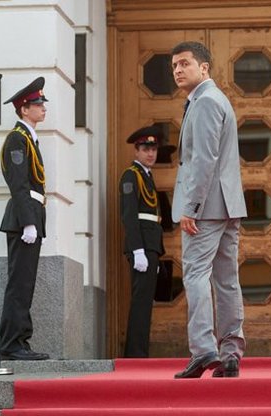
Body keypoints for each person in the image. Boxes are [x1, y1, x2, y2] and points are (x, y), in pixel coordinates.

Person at [170, 41, 247, 378]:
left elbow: (204, 160)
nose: (178, 70)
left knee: (196, 275)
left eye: (184, 63)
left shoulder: (204, 102)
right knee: (226, 279)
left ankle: (203, 350)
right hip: (227, 205)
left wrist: (191, 207)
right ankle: (230, 354)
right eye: (174, 66)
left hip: (206, 208)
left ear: (204, 68)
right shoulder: (218, 99)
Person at [0, 77, 49, 361]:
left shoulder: (29, 138)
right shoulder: (17, 139)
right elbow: (18, 183)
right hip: (23, 219)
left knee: (25, 283)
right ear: (24, 109)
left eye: (42, 103)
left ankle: (20, 341)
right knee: (19, 284)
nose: (43, 108)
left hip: (30, 215)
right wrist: (28, 221)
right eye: (37, 104)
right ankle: (12, 344)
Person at [119, 125, 165, 357]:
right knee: (140, 302)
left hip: (150, 245)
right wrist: (137, 250)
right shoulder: (132, 175)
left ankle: (140, 352)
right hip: (142, 246)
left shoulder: (146, 176)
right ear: (136, 150)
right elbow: (129, 215)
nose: (151, 154)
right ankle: (135, 354)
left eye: (154, 149)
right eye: (146, 149)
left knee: (145, 302)